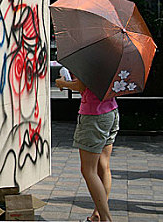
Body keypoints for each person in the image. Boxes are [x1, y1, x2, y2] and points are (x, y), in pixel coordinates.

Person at [55, 74, 119, 222]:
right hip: (110, 111)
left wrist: (63, 83)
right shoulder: (109, 57)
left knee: (88, 170)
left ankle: (106, 218)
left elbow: (82, 86)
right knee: (103, 166)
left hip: (93, 116)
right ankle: (98, 214)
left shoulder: (91, 58)